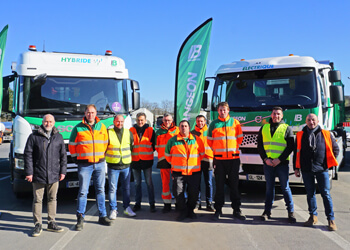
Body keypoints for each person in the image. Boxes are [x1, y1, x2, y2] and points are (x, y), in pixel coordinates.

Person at [69, 104, 111, 231]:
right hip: (85, 164)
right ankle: (80, 217)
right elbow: (72, 145)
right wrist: (76, 158)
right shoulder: (78, 128)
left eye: (92, 112)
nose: (90, 115)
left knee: (100, 190)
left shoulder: (102, 127)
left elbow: (106, 143)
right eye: (88, 112)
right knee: (83, 191)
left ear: (96, 113)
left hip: (99, 163)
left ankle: (102, 216)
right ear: (85, 113)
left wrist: (102, 156)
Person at [294, 113, 339, 231]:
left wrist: (328, 163)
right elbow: (296, 152)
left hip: (322, 169)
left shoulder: (326, 134)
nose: (311, 122)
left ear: (317, 121)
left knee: (326, 194)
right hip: (306, 169)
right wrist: (296, 168)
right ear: (306, 121)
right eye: (308, 120)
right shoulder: (300, 135)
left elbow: (335, 149)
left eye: (313, 120)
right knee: (310, 193)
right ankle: (312, 216)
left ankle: (331, 219)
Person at [24, 114, 67, 237]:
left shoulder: (58, 137)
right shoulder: (33, 137)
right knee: (38, 200)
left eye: (50, 121)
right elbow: (28, 155)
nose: (48, 124)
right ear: (42, 122)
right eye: (46, 121)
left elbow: (63, 156)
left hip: (54, 175)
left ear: (54, 122)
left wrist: (63, 171)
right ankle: (38, 224)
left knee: (52, 199)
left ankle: (51, 222)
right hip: (38, 174)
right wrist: (29, 172)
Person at [257, 107, 296, 223]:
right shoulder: (264, 128)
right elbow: (259, 145)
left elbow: (290, 147)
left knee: (285, 188)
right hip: (268, 163)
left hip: (282, 164)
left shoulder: (287, 128)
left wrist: (279, 159)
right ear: (271, 115)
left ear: (282, 116)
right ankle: (267, 211)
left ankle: (291, 213)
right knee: (269, 188)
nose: (276, 116)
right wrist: (265, 159)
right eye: (274, 114)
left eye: (278, 114)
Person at [207, 102, 245, 220]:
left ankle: (237, 210)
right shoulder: (213, 124)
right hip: (219, 160)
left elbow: (240, 139)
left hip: (233, 159)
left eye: (224, 110)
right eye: (220, 110)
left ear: (228, 110)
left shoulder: (235, 123)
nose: (222, 112)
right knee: (219, 186)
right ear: (218, 111)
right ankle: (218, 210)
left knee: (234, 186)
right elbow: (209, 141)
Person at [165, 120, 205, 221]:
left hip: (194, 171)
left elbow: (202, 154)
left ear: (189, 127)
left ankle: (190, 210)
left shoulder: (197, 140)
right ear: (179, 128)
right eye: (182, 126)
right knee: (178, 193)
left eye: (185, 126)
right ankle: (183, 211)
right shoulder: (172, 140)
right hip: (178, 172)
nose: (183, 128)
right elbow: (167, 155)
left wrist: (192, 163)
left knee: (194, 193)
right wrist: (177, 164)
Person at [106, 114, 136, 219]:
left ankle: (127, 208)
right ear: (114, 122)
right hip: (113, 166)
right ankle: (113, 210)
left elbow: (131, 146)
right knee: (112, 189)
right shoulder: (108, 133)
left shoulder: (129, 133)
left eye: (122, 122)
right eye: (118, 121)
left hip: (126, 165)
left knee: (126, 188)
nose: (120, 123)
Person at [130, 112, 156, 213]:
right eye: (138, 120)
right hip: (135, 161)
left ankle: (152, 204)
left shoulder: (150, 130)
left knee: (149, 183)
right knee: (137, 184)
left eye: (142, 120)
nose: (140, 122)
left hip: (147, 161)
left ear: (145, 121)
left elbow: (154, 145)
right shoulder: (131, 130)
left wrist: (147, 152)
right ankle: (137, 204)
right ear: (136, 120)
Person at [156, 114, 179, 213]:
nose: (167, 122)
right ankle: (167, 204)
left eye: (169, 120)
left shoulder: (177, 130)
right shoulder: (158, 132)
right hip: (163, 160)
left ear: (172, 120)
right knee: (165, 183)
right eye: (165, 120)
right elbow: (156, 146)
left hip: (175, 160)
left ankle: (178, 203)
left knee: (177, 183)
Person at [191, 115, 215, 212]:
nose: (200, 123)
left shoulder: (210, 131)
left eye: (201, 121)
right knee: (197, 183)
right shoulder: (192, 133)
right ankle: (197, 203)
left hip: (208, 159)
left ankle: (209, 203)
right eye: (198, 121)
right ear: (196, 122)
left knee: (208, 182)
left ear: (205, 121)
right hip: (196, 161)